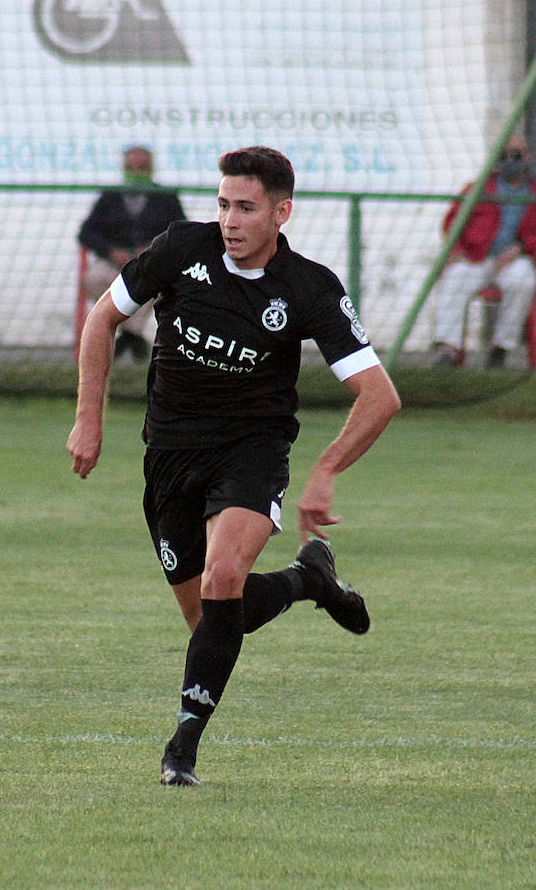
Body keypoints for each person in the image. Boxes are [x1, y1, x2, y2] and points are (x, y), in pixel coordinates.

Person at [68, 146, 401, 786]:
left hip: (251, 452)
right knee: (213, 620)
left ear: (282, 213)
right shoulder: (179, 248)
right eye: (224, 204)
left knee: (224, 578)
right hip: (168, 456)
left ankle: (182, 750)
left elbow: (379, 396)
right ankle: (309, 580)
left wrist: (326, 470)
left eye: (246, 208)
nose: (230, 220)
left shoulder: (309, 287)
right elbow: (102, 319)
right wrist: (89, 418)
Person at [430, 135, 536, 368]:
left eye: (518, 155)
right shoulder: (478, 188)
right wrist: (457, 251)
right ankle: (448, 351)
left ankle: (500, 348)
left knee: (523, 281)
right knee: (454, 278)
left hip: (515, 260)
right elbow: (451, 223)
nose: (512, 161)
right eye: (505, 155)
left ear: (529, 158)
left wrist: (521, 247)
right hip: (476, 258)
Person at [77, 145, 186, 361]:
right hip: (112, 262)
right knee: (94, 279)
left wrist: (153, 247)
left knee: (149, 285)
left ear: (151, 169)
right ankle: (133, 336)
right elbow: (86, 232)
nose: (136, 172)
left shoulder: (166, 197)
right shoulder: (110, 197)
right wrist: (110, 251)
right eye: (131, 167)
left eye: (142, 167)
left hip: (149, 263)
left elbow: (181, 231)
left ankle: (127, 335)